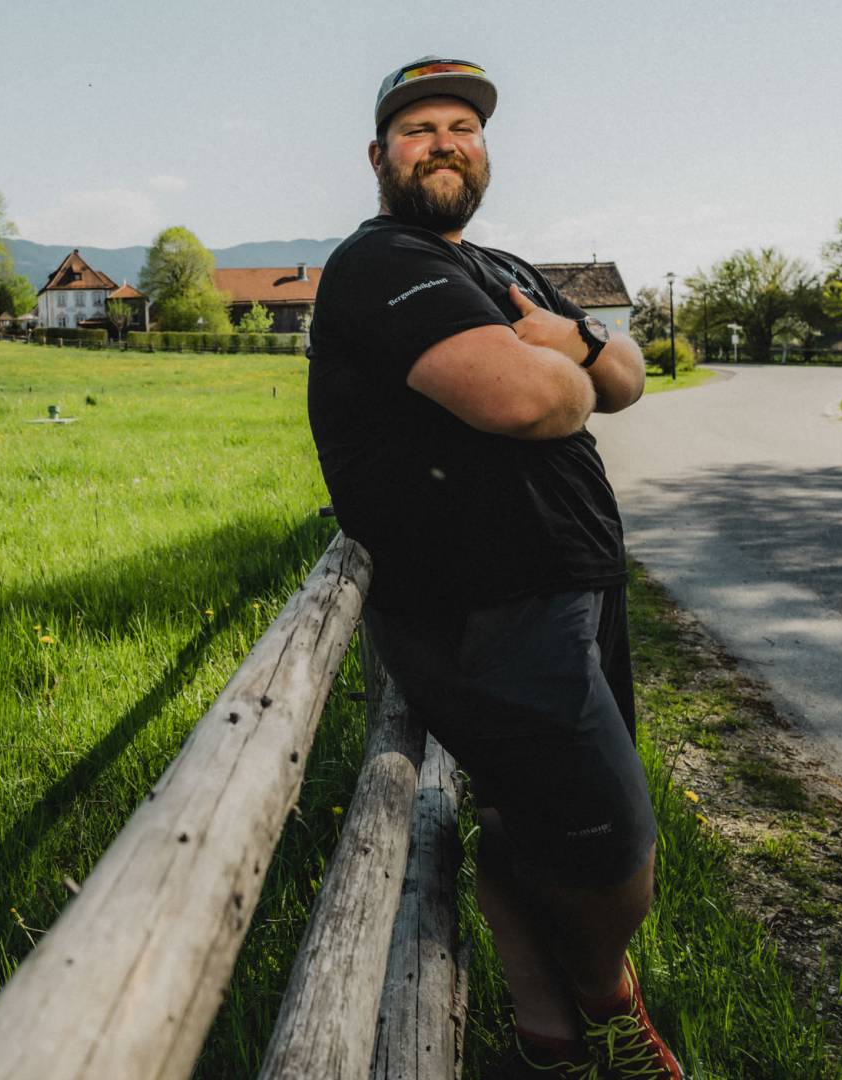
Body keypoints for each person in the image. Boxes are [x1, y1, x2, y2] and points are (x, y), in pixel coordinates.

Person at [306, 58, 682, 1079]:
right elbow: (526, 402)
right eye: (419, 127)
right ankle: (609, 995)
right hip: (485, 607)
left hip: (568, 583)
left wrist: (575, 336)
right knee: (612, 845)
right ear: (379, 156)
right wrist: (570, 368)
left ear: (484, 148)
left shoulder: (504, 264)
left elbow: (631, 381)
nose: (443, 142)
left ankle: (548, 1038)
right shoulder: (382, 262)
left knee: (531, 819)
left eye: (462, 125)